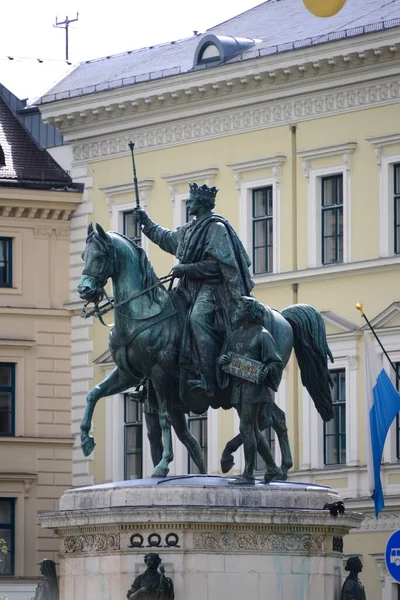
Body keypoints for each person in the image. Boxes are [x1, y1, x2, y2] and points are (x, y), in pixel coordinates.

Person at [133, 182, 254, 397]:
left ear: (202, 203)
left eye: (191, 200)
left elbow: (219, 266)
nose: (188, 203)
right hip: (188, 288)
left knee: (197, 319)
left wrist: (187, 268)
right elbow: (166, 238)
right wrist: (146, 223)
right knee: (164, 317)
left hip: (213, 289)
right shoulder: (189, 230)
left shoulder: (216, 229)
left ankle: (208, 377)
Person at [217, 296, 283, 484]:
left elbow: (275, 362)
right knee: (252, 429)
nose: (235, 311)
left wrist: (265, 370)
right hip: (238, 387)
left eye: (239, 308)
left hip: (254, 388)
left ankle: (248, 473)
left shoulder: (262, 334)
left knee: (246, 427)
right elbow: (223, 357)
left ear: (248, 312)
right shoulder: (234, 335)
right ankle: (272, 467)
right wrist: (220, 362)